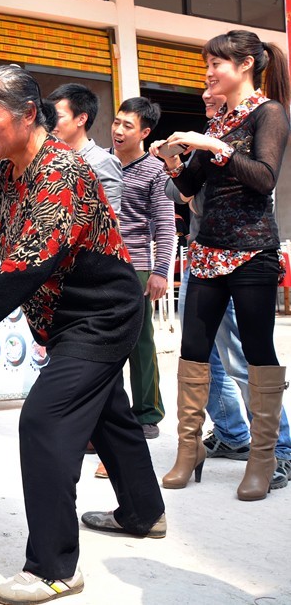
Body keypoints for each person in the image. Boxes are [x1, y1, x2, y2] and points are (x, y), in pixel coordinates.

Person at [0, 65, 164, 605]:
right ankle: (145, 512)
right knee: (109, 413)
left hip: (101, 313)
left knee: (45, 419)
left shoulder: (61, 172)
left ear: (29, 115)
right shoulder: (9, 168)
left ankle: (54, 567)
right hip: (62, 310)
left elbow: (28, 260)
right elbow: (14, 239)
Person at [150, 29, 289, 501]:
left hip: (253, 252)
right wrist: (172, 161)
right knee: (193, 352)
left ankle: (265, 458)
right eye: (207, 64)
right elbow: (187, 191)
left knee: (256, 352)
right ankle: (188, 452)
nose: (209, 73)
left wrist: (213, 148)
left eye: (216, 64)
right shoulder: (218, 122)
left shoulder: (269, 114)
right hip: (206, 252)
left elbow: (264, 177)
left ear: (246, 64)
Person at [110, 98, 174, 440]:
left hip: (136, 266)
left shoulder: (155, 171)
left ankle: (147, 413)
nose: (118, 130)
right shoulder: (100, 161)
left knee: (140, 342)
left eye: (128, 126)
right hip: (100, 261)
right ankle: (108, 410)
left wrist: (161, 270)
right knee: (102, 341)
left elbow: (164, 224)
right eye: (117, 122)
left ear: (145, 132)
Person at [46, 82, 123, 216]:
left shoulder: (103, 162)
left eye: (58, 116)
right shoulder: (48, 157)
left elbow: (109, 219)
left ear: (81, 119)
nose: (50, 122)